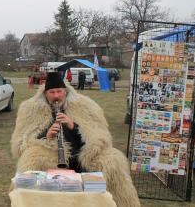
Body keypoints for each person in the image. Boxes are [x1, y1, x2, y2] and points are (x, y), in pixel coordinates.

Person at [11, 72, 140, 207]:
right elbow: (21, 141)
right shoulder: (30, 109)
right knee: (29, 160)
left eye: (59, 91)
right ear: (45, 94)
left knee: (114, 160)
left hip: (82, 158)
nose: (56, 96)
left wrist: (73, 126)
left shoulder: (85, 105)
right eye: (52, 92)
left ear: (65, 91)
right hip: (51, 157)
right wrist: (46, 136)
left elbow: (101, 135)